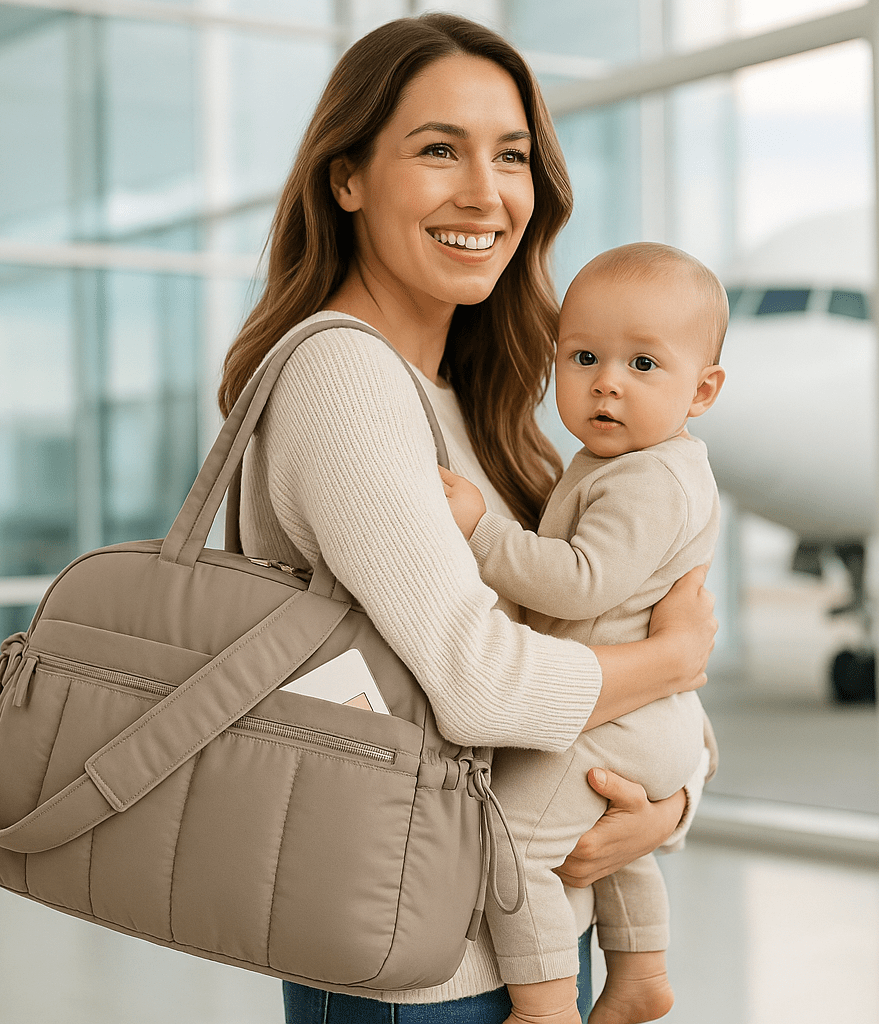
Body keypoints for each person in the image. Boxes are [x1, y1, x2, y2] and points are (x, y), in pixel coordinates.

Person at [217, 14, 717, 1023]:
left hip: (524, 935)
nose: (484, 193)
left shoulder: (470, 402)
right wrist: (674, 665)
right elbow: (488, 688)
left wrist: (665, 804)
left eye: (512, 156)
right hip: (421, 964)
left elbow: (595, 630)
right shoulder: (341, 376)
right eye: (438, 149)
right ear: (345, 177)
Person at [441, 241, 727, 1024]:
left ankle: (543, 1008)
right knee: (588, 834)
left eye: (643, 365)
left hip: (620, 715)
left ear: (702, 391)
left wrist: (480, 534)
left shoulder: (648, 479)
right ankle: (639, 972)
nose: (606, 381)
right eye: (585, 356)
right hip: (643, 715)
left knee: (514, 840)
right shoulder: (634, 461)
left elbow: (580, 580)